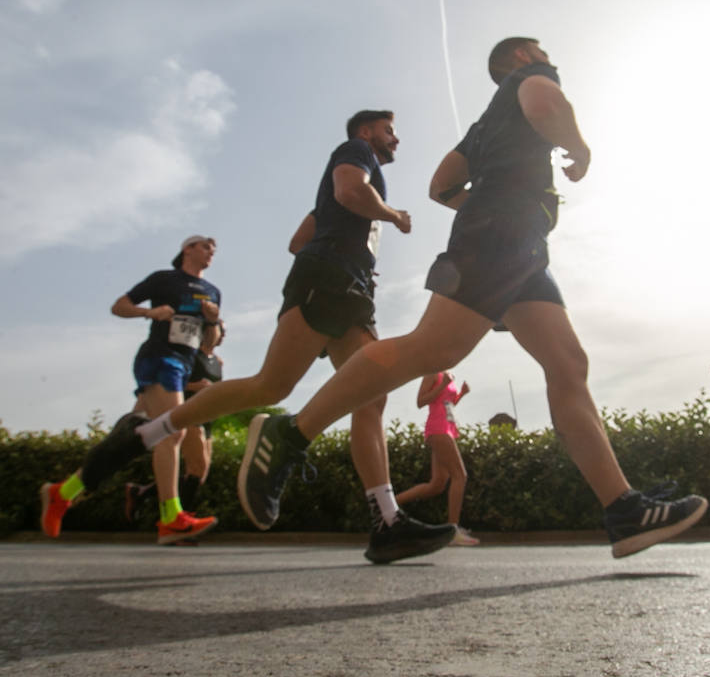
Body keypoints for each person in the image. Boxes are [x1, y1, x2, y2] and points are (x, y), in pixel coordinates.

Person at [241, 37, 708, 559]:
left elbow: (441, 185)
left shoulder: (485, 127)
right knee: (433, 348)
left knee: (567, 361)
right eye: (539, 49)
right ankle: (290, 435)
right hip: (504, 231)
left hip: (520, 242)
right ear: (522, 56)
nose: (547, 54)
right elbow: (546, 106)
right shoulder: (530, 77)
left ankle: (623, 509)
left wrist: (479, 204)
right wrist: (579, 149)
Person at [47, 110, 455, 564]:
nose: (395, 139)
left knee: (356, 395)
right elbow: (348, 191)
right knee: (287, 387)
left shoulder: (359, 172)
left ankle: (386, 520)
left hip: (342, 283)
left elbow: (300, 238)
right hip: (332, 283)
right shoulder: (356, 154)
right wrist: (392, 215)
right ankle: (157, 432)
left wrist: (347, 250)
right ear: (367, 132)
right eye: (388, 130)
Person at [39, 236, 222, 545]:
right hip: (158, 359)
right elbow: (119, 306)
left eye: (213, 250)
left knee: (136, 442)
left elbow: (209, 342)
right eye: (204, 246)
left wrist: (214, 321)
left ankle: (64, 492)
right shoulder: (164, 279)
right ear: (186, 249)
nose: (210, 252)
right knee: (172, 433)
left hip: (183, 365)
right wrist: (149, 313)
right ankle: (170, 518)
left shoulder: (213, 291)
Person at [124, 320, 226, 525]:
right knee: (198, 466)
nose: (220, 334)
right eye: (217, 329)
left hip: (208, 418)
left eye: (223, 331)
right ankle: (179, 522)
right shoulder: (190, 356)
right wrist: (196, 386)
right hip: (187, 411)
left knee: (199, 473)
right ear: (206, 331)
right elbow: (171, 383)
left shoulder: (218, 361)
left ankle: (141, 492)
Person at [396, 371, 478, 546]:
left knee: (437, 484)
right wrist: (442, 385)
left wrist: (462, 394)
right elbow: (420, 402)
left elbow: (448, 403)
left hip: (447, 428)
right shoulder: (432, 372)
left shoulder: (449, 374)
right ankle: (452, 531)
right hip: (438, 428)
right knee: (460, 476)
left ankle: (389, 506)